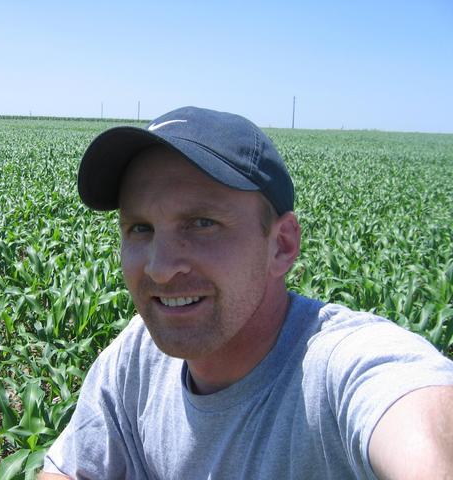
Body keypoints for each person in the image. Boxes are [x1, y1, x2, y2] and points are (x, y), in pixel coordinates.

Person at [39, 106, 453, 479]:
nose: (161, 269)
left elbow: (414, 416)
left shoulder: (341, 370)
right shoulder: (136, 360)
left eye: (201, 223)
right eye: (140, 228)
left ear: (282, 245)